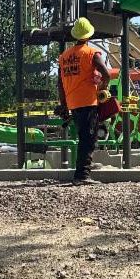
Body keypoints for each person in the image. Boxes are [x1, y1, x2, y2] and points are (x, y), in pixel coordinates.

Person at [58, 17, 110, 185]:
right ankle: (82, 175)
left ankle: (84, 167)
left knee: (83, 137)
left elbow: (60, 83)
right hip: (88, 101)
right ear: (88, 36)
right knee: (89, 139)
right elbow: (106, 74)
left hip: (73, 102)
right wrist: (103, 88)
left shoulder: (64, 56)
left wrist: (64, 104)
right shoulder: (91, 53)